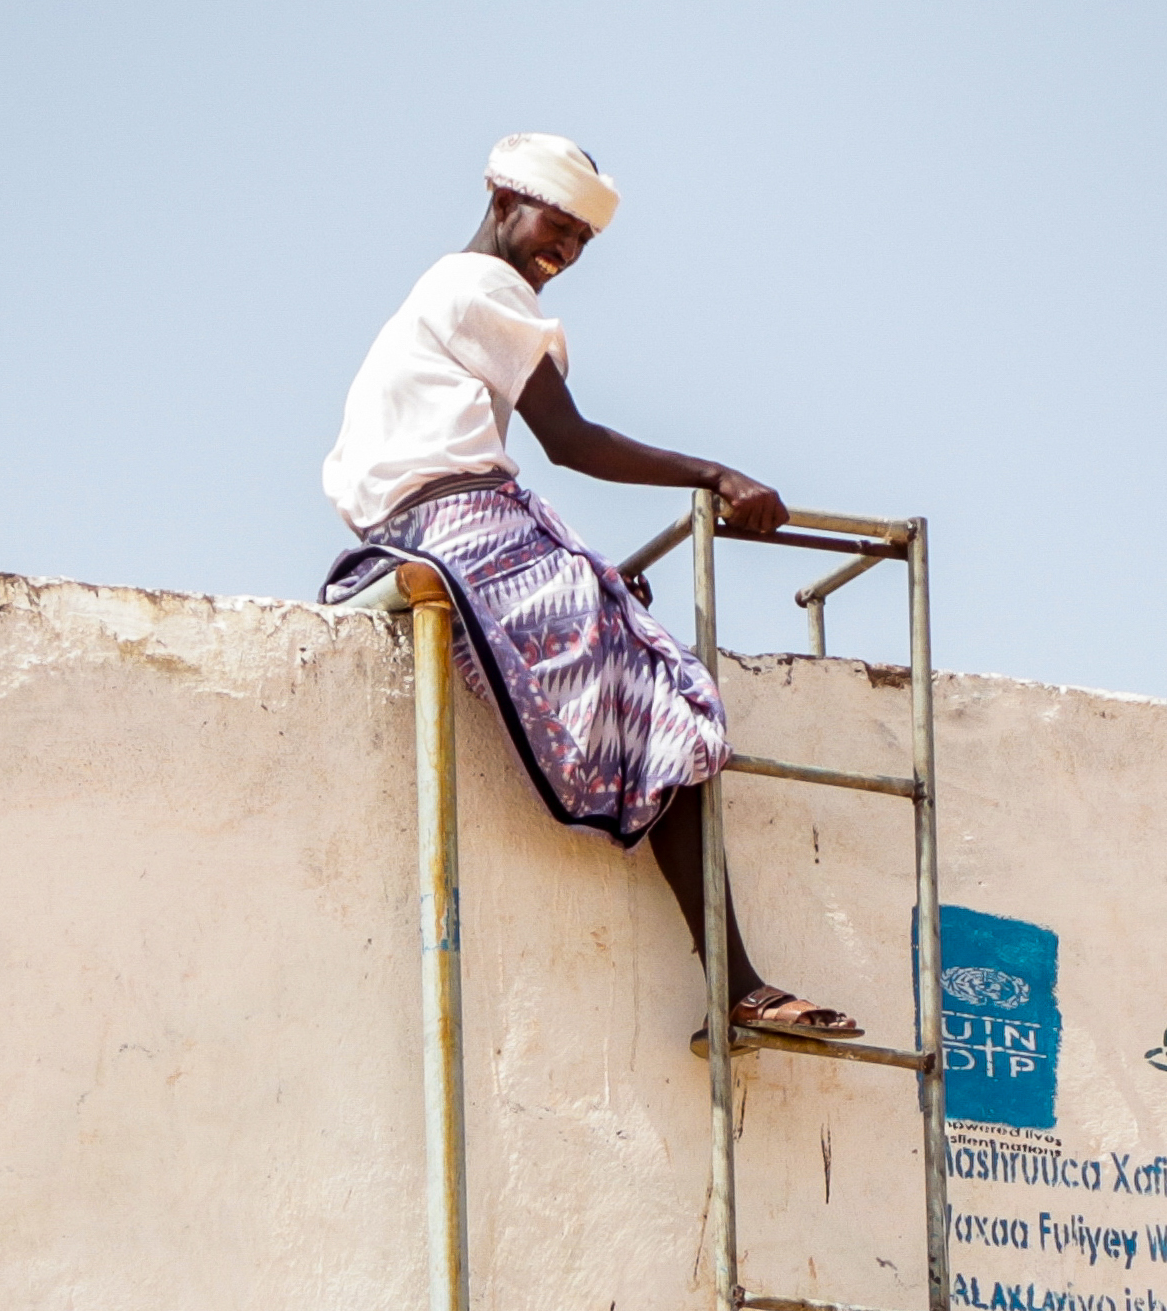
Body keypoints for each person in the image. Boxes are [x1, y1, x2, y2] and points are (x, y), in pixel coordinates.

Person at [320, 135, 857, 1037]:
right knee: (674, 709)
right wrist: (717, 476)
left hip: (422, 528)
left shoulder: (440, 295)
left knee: (638, 663)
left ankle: (739, 983)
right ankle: (739, 986)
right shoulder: (480, 288)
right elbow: (571, 443)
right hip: (463, 526)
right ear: (501, 198)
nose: (561, 253)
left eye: (579, 242)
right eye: (554, 227)